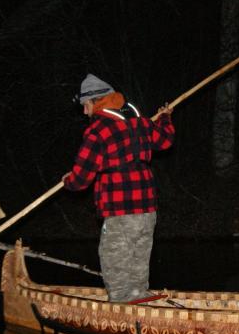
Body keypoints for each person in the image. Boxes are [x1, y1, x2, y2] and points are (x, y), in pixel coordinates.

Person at [64, 73, 175, 302]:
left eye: (85, 106)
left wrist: (68, 180)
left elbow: (81, 179)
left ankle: (122, 311)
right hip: (147, 209)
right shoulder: (140, 121)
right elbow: (165, 140)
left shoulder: (98, 131)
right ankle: (138, 297)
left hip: (120, 210)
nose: (85, 112)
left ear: (97, 101)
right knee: (138, 261)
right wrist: (164, 118)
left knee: (114, 262)